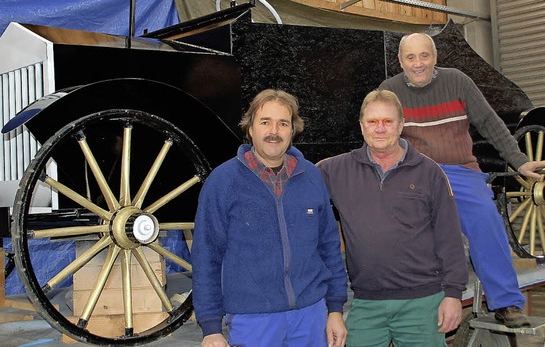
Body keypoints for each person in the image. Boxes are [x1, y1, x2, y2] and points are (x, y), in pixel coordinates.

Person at [379, 32, 545, 328]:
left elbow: (491, 123)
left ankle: (506, 301)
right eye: (411, 57)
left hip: (459, 171)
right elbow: (378, 136)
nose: (418, 64)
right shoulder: (389, 91)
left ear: (435, 57)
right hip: (415, 172)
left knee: (485, 216)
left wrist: (519, 162)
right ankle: (413, 302)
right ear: (400, 61)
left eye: (424, 56)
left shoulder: (457, 81)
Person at [192, 89, 348, 347]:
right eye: (265, 122)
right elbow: (206, 255)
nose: (274, 131)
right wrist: (211, 328)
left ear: (292, 131)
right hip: (252, 319)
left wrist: (334, 309)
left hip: (310, 315)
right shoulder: (223, 182)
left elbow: (329, 246)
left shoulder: (311, 176)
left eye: (283, 123)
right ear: (251, 128)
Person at [317, 89, 468, 346]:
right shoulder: (336, 170)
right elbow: (296, 179)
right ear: (362, 126)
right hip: (365, 304)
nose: (380, 128)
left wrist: (453, 294)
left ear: (401, 125)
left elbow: (449, 236)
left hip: (422, 302)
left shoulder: (429, 172)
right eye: (372, 121)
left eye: (387, 121)